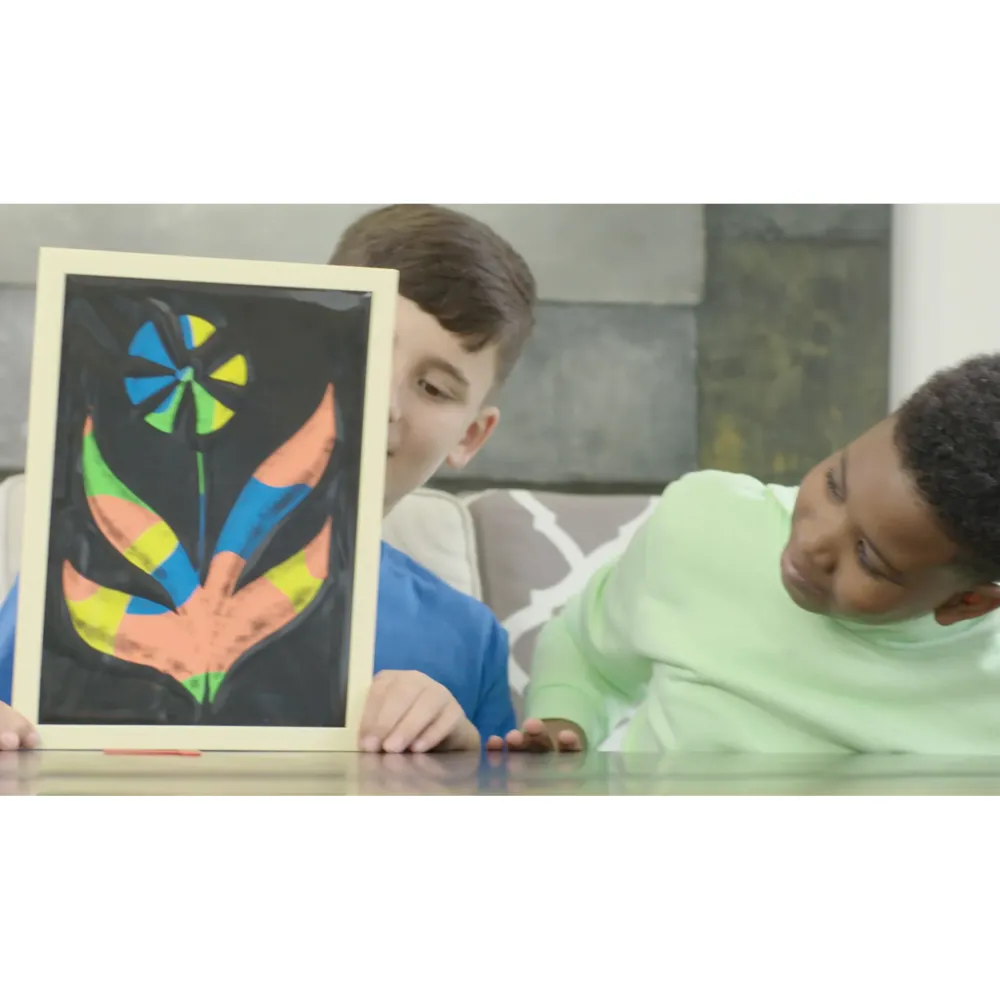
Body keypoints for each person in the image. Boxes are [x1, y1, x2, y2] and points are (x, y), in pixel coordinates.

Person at [0, 204, 537, 753]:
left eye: (433, 389)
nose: (385, 403)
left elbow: (496, 785)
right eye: (367, 351)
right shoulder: (76, 572)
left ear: (471, 436)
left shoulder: (468, 641)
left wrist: (456, 761)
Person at [488, 354, 1000, 755]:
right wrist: (563, 726)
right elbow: (587, 652)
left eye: (868, 557)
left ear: (967, 603)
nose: (814, 543)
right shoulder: (704, 523)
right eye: (834, 484)